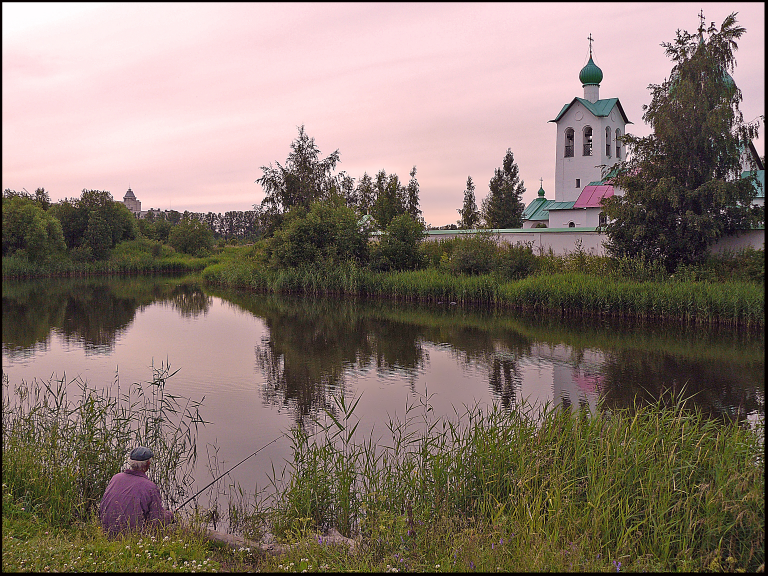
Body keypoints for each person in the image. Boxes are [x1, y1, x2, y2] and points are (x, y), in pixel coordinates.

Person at [99, 446, 175, 537]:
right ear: (147, 464)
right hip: (131, 538)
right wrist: (170, 515)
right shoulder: (150, 487)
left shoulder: (116, 478)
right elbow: (156, 520)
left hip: (107, 533)